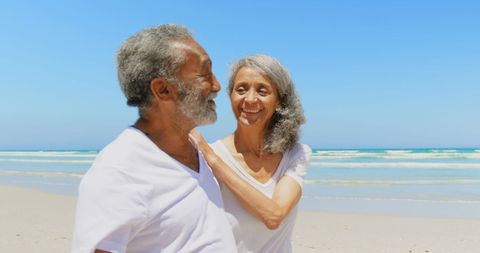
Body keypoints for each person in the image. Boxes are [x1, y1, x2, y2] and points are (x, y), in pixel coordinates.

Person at [71, 24, 237, 253]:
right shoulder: (119, 171)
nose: (217, 85)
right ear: (163, 90)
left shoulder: (194, 148)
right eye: (205, 73)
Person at [191, 54, 312, 253]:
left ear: (279, 101)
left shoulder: (295, 154)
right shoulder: (204, 159)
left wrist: (212, 157)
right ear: (230, 95)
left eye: (262, 91)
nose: (250, 99)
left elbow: (274, 215)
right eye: (241, 89)